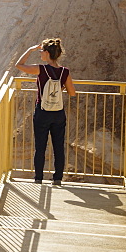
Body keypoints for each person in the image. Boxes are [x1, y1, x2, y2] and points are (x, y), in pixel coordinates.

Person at [16, 38, 76, 186]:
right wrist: (58, 89)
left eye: (42, 51)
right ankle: (57, 179)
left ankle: (38, 178)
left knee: (40, 146)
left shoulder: (40, 69)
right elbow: (72, 93)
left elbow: (19, 65)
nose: (40, 53)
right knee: (58, 146)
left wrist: (30, 49)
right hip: (58, 113)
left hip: (42, 112)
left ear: (47, 53)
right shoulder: (64, 72)